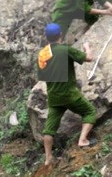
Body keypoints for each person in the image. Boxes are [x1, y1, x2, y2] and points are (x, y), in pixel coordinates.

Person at [38, 23, 97, 168]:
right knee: (90, 111)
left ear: (47, 37)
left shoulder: (42, 54)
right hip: (69, 94)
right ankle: (83, 140)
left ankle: (48, 158)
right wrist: (87, 47)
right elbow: (89, 58)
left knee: (49, 129)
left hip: (53, 96)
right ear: (60, 35)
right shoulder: (65, 49)